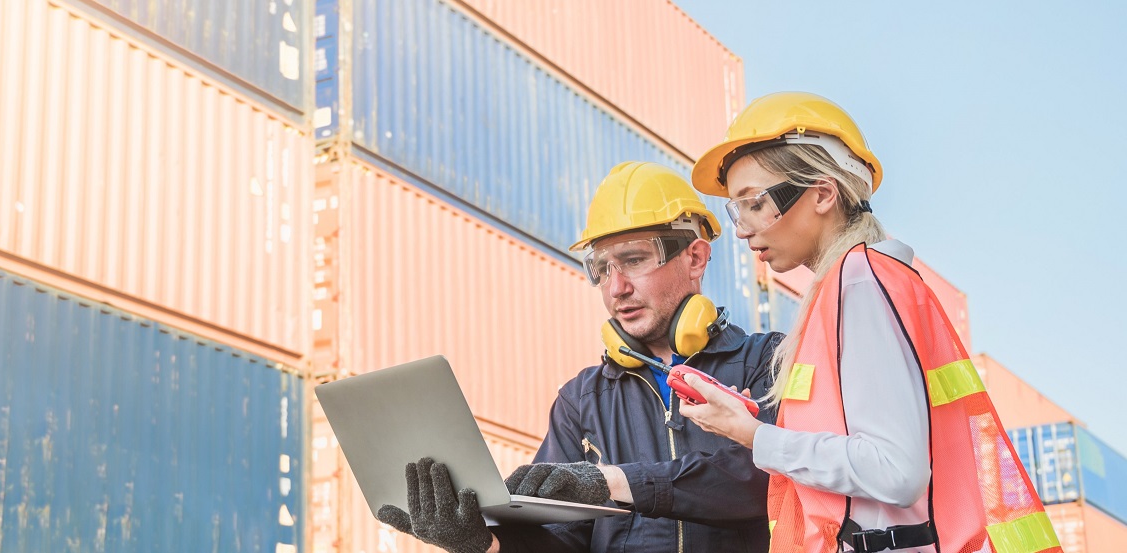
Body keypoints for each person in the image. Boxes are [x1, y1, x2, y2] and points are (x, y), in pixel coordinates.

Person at [678, 92, 1058, 553]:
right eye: (736, 210)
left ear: (822, 194)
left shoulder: (859, 282)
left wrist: (752, 435)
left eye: (754, 202)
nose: (741, 227)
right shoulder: (854, 284)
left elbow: (896, 472)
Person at [375, 162, 783, 552]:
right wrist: (483, 544)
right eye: (602, 269)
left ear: (694, 258)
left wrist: (611, 482)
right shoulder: (582, 399)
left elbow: (765, 477)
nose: (616, 287)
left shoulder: (768, 360)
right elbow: (561, 541)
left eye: (633, 260)